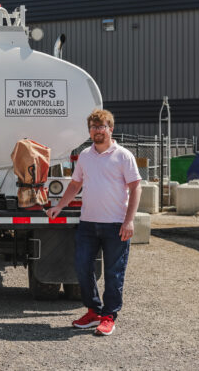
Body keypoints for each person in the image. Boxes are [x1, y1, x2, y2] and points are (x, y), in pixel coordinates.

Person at [47, 109, 141, 336]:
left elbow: (136, 187)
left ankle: (109, 317)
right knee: (82, 267)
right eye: (94, 127)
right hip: (88, 224)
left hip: (115, 225)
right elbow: (74, 184)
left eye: (102, 127)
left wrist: (129, 221)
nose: (97, 131)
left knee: (113, 273)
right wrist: (60, 205)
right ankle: (93, 312)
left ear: (110, 129)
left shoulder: (123, 155)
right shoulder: (85, 156)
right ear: (89, 130)